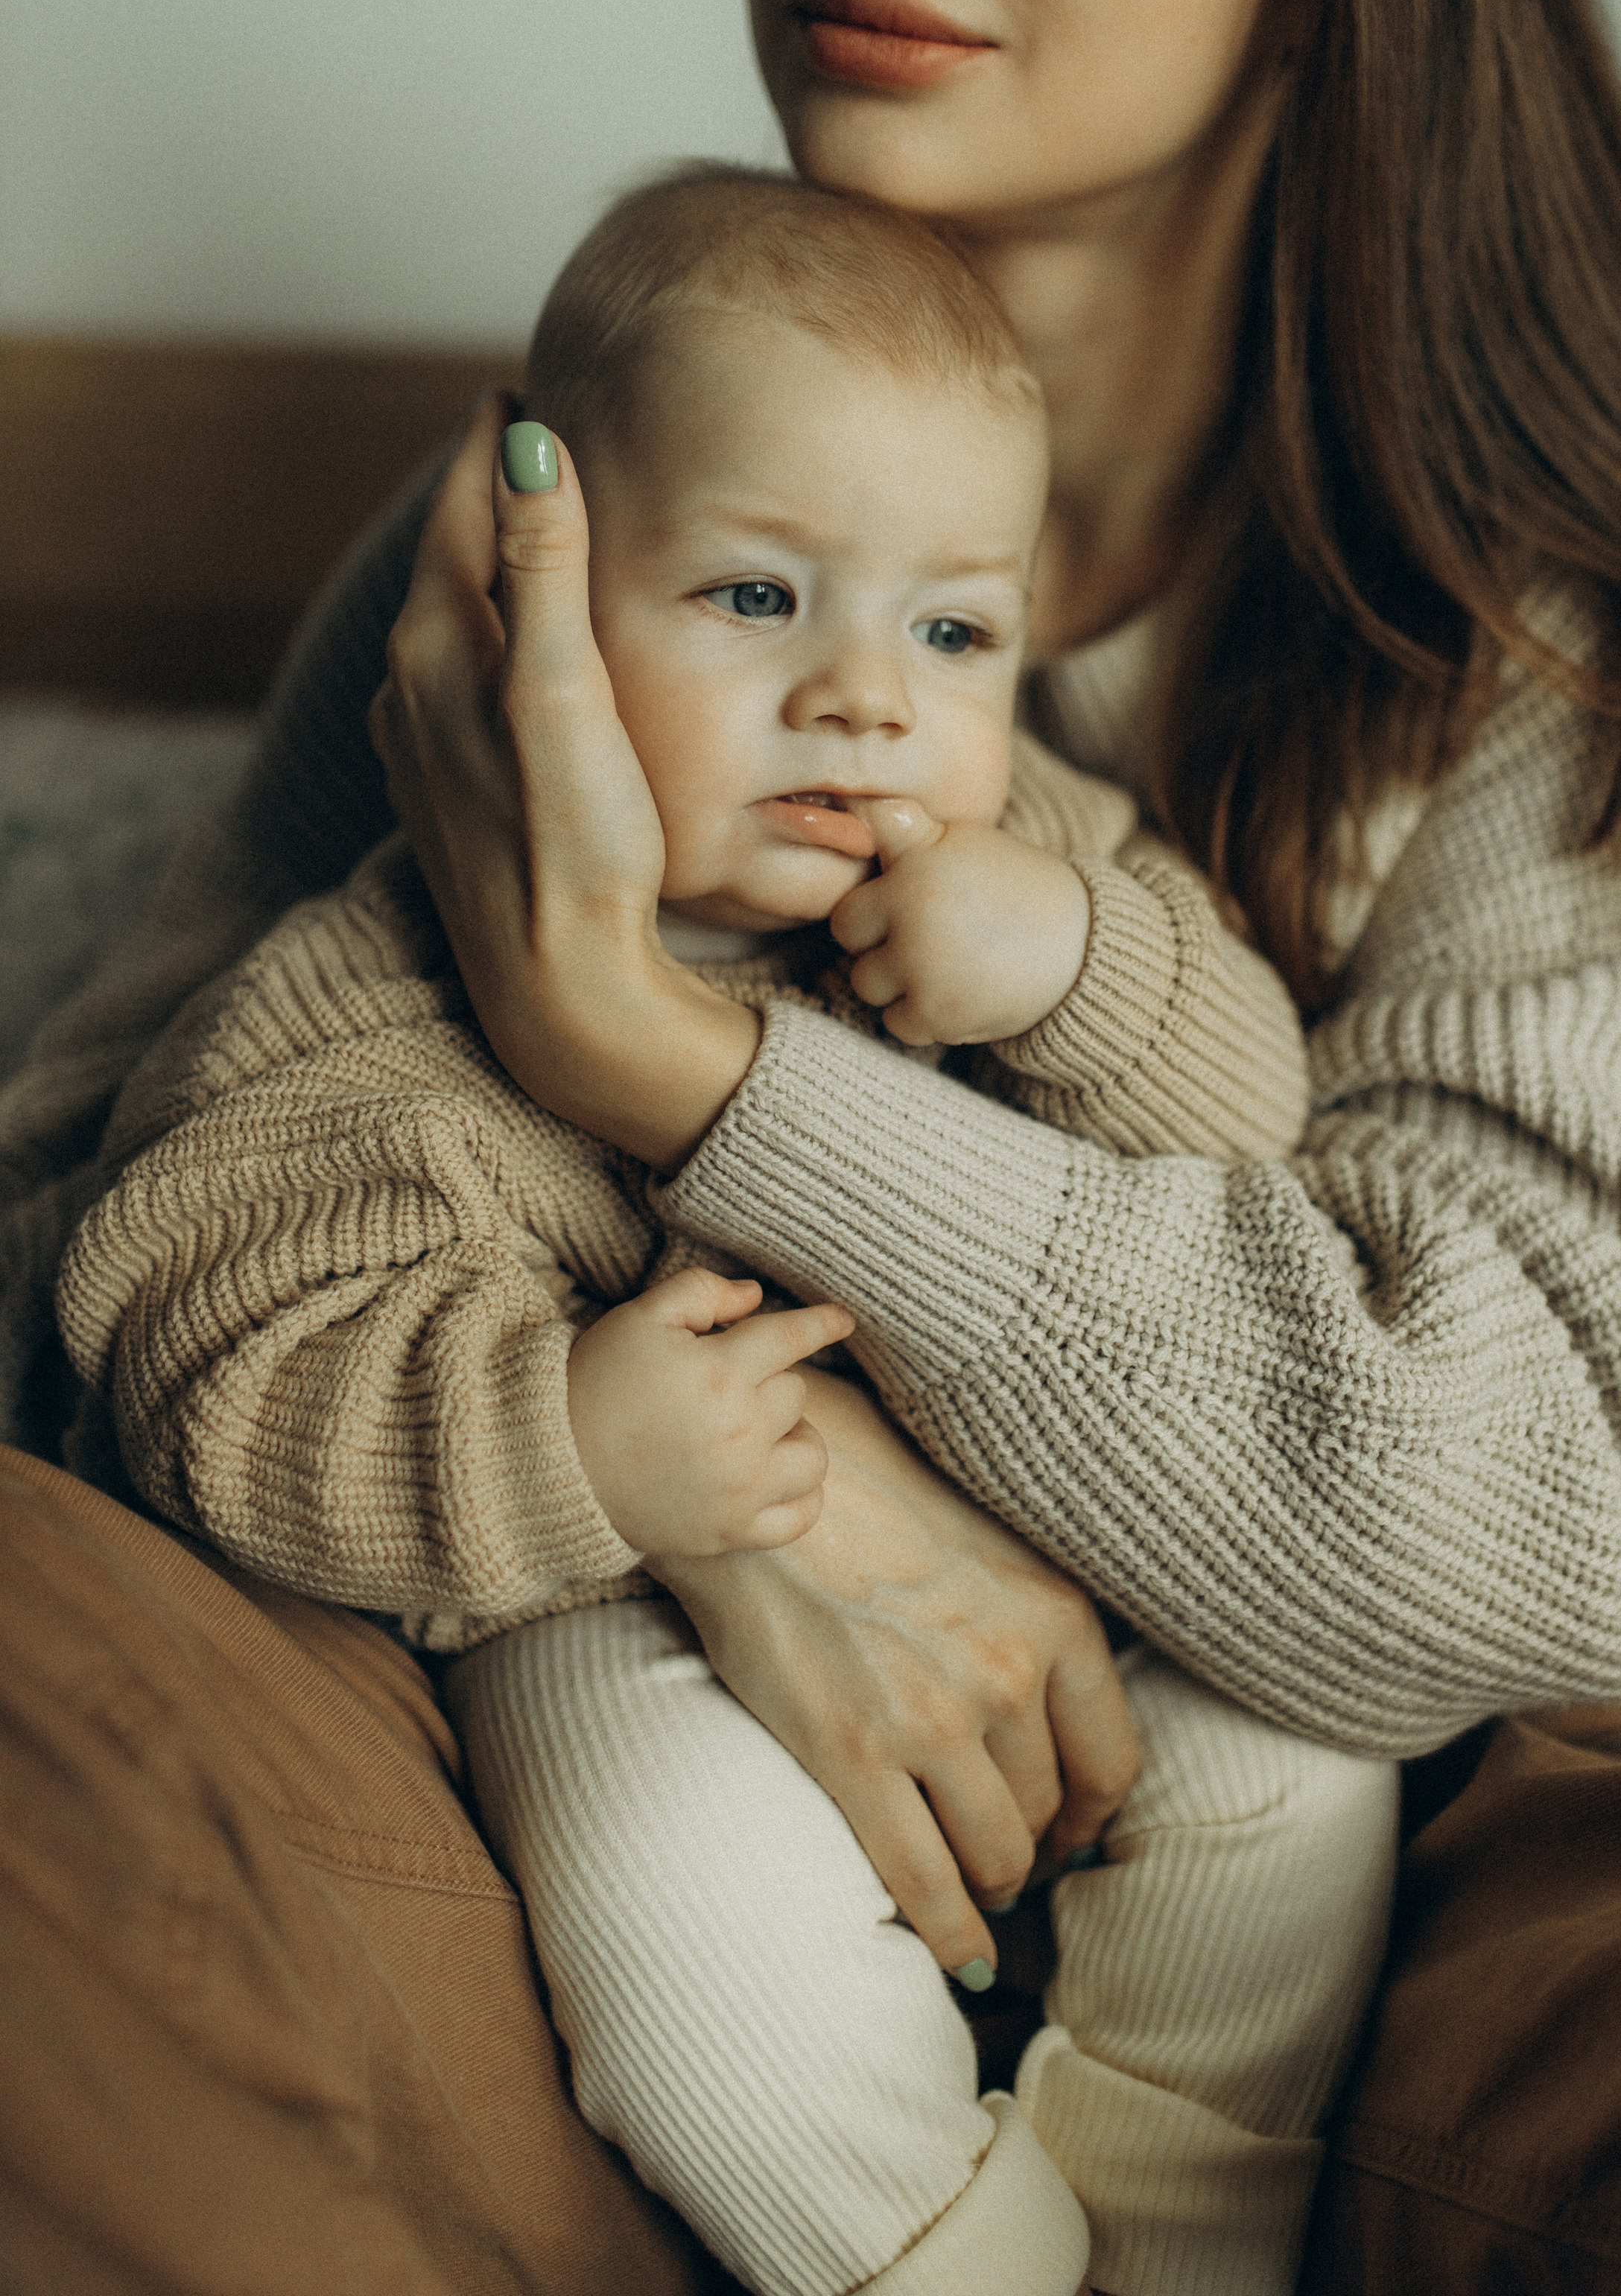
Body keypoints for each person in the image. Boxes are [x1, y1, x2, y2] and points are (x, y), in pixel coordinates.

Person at [4, 0, 1621, 2289]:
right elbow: (93, 1270)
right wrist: (727, 1510)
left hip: (1389, 1837)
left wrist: (666, 1067)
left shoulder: (1540, 643)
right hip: (531, 1743)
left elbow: (1570, 1532)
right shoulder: (533, 545)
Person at [60, 165, 1387, 2296]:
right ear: (531, 592)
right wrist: (568, 1441)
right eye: (760, 599)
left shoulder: (1041, 851)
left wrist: (1073, 967)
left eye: (952, 631)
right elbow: (198, 1350)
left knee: (1306, 1776)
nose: (871, 699)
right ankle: (952, 2260)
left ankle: (1184, 2223)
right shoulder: (379, 1005)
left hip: (1079, 1530)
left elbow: (1255, 1116)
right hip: (618, 1613)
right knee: (695, 1977)